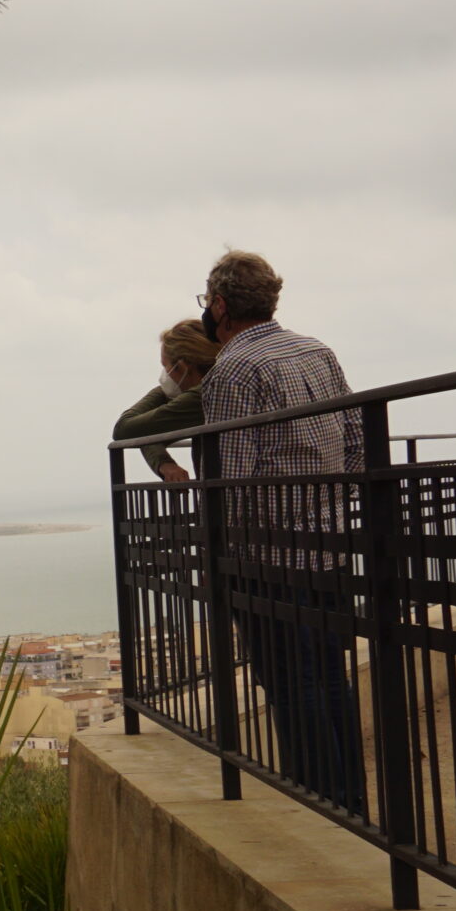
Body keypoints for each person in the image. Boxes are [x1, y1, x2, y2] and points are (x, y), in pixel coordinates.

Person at [198, 249, 366, 811]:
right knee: (329, 674)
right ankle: (351, 798)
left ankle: (321, 800)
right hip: (333, 548)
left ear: (220, 305)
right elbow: (358, 443)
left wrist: (224, 549)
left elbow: (231, 479)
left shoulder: (233, 370)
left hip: (272, 557)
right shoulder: (318, 352)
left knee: (293, 684)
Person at [113, 320, 221, 482]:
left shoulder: (202, 396)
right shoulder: (217, 384)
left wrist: (163, 392)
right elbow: (149, 429)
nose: (165, 375)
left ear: (183, 367)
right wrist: (164, 463)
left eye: (166, 367)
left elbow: (125, 428)